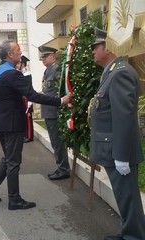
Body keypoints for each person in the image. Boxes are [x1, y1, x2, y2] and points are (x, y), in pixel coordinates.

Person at [0, 40, 71, 210]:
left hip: (0, 122)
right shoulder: (13, 74)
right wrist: (60, 100)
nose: (20, 52)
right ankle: (14, 199)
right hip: (12, 123)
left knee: (7, 158)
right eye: (18, 50)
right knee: (13, 162)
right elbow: (32, 95)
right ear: (9, 55)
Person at [89, 27, 145, 240]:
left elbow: (124, 117)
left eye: (96, 47)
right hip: (113, 148)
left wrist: (121, 155)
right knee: (125, 197)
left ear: (108, 47)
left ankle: (134, 236)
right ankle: (131, 233)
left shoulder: (120, 73)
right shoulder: (112, 71)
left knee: (128, 197)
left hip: (119, 151)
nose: (93, 51)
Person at [39, 46, 70, 180]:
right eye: (42, 57)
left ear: (53, 56)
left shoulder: (57, 69)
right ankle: (61, 167)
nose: (43, 59)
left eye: (45, 56)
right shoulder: (47, 71)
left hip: (54, 112)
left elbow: (60, 91)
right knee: (54, 142)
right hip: (48, 111)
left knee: (57, 142)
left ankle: (63, 169)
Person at [16, 55, 34, 143]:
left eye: (19, 63)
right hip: (23, 99)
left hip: (27, 99)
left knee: (28, 119)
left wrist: (30, 101)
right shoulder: (22, 73)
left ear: (23, 64)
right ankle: (25, 134)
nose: (18, 65)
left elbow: (29, 88)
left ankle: (29, 136)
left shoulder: (27, 74)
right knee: (24, 118)